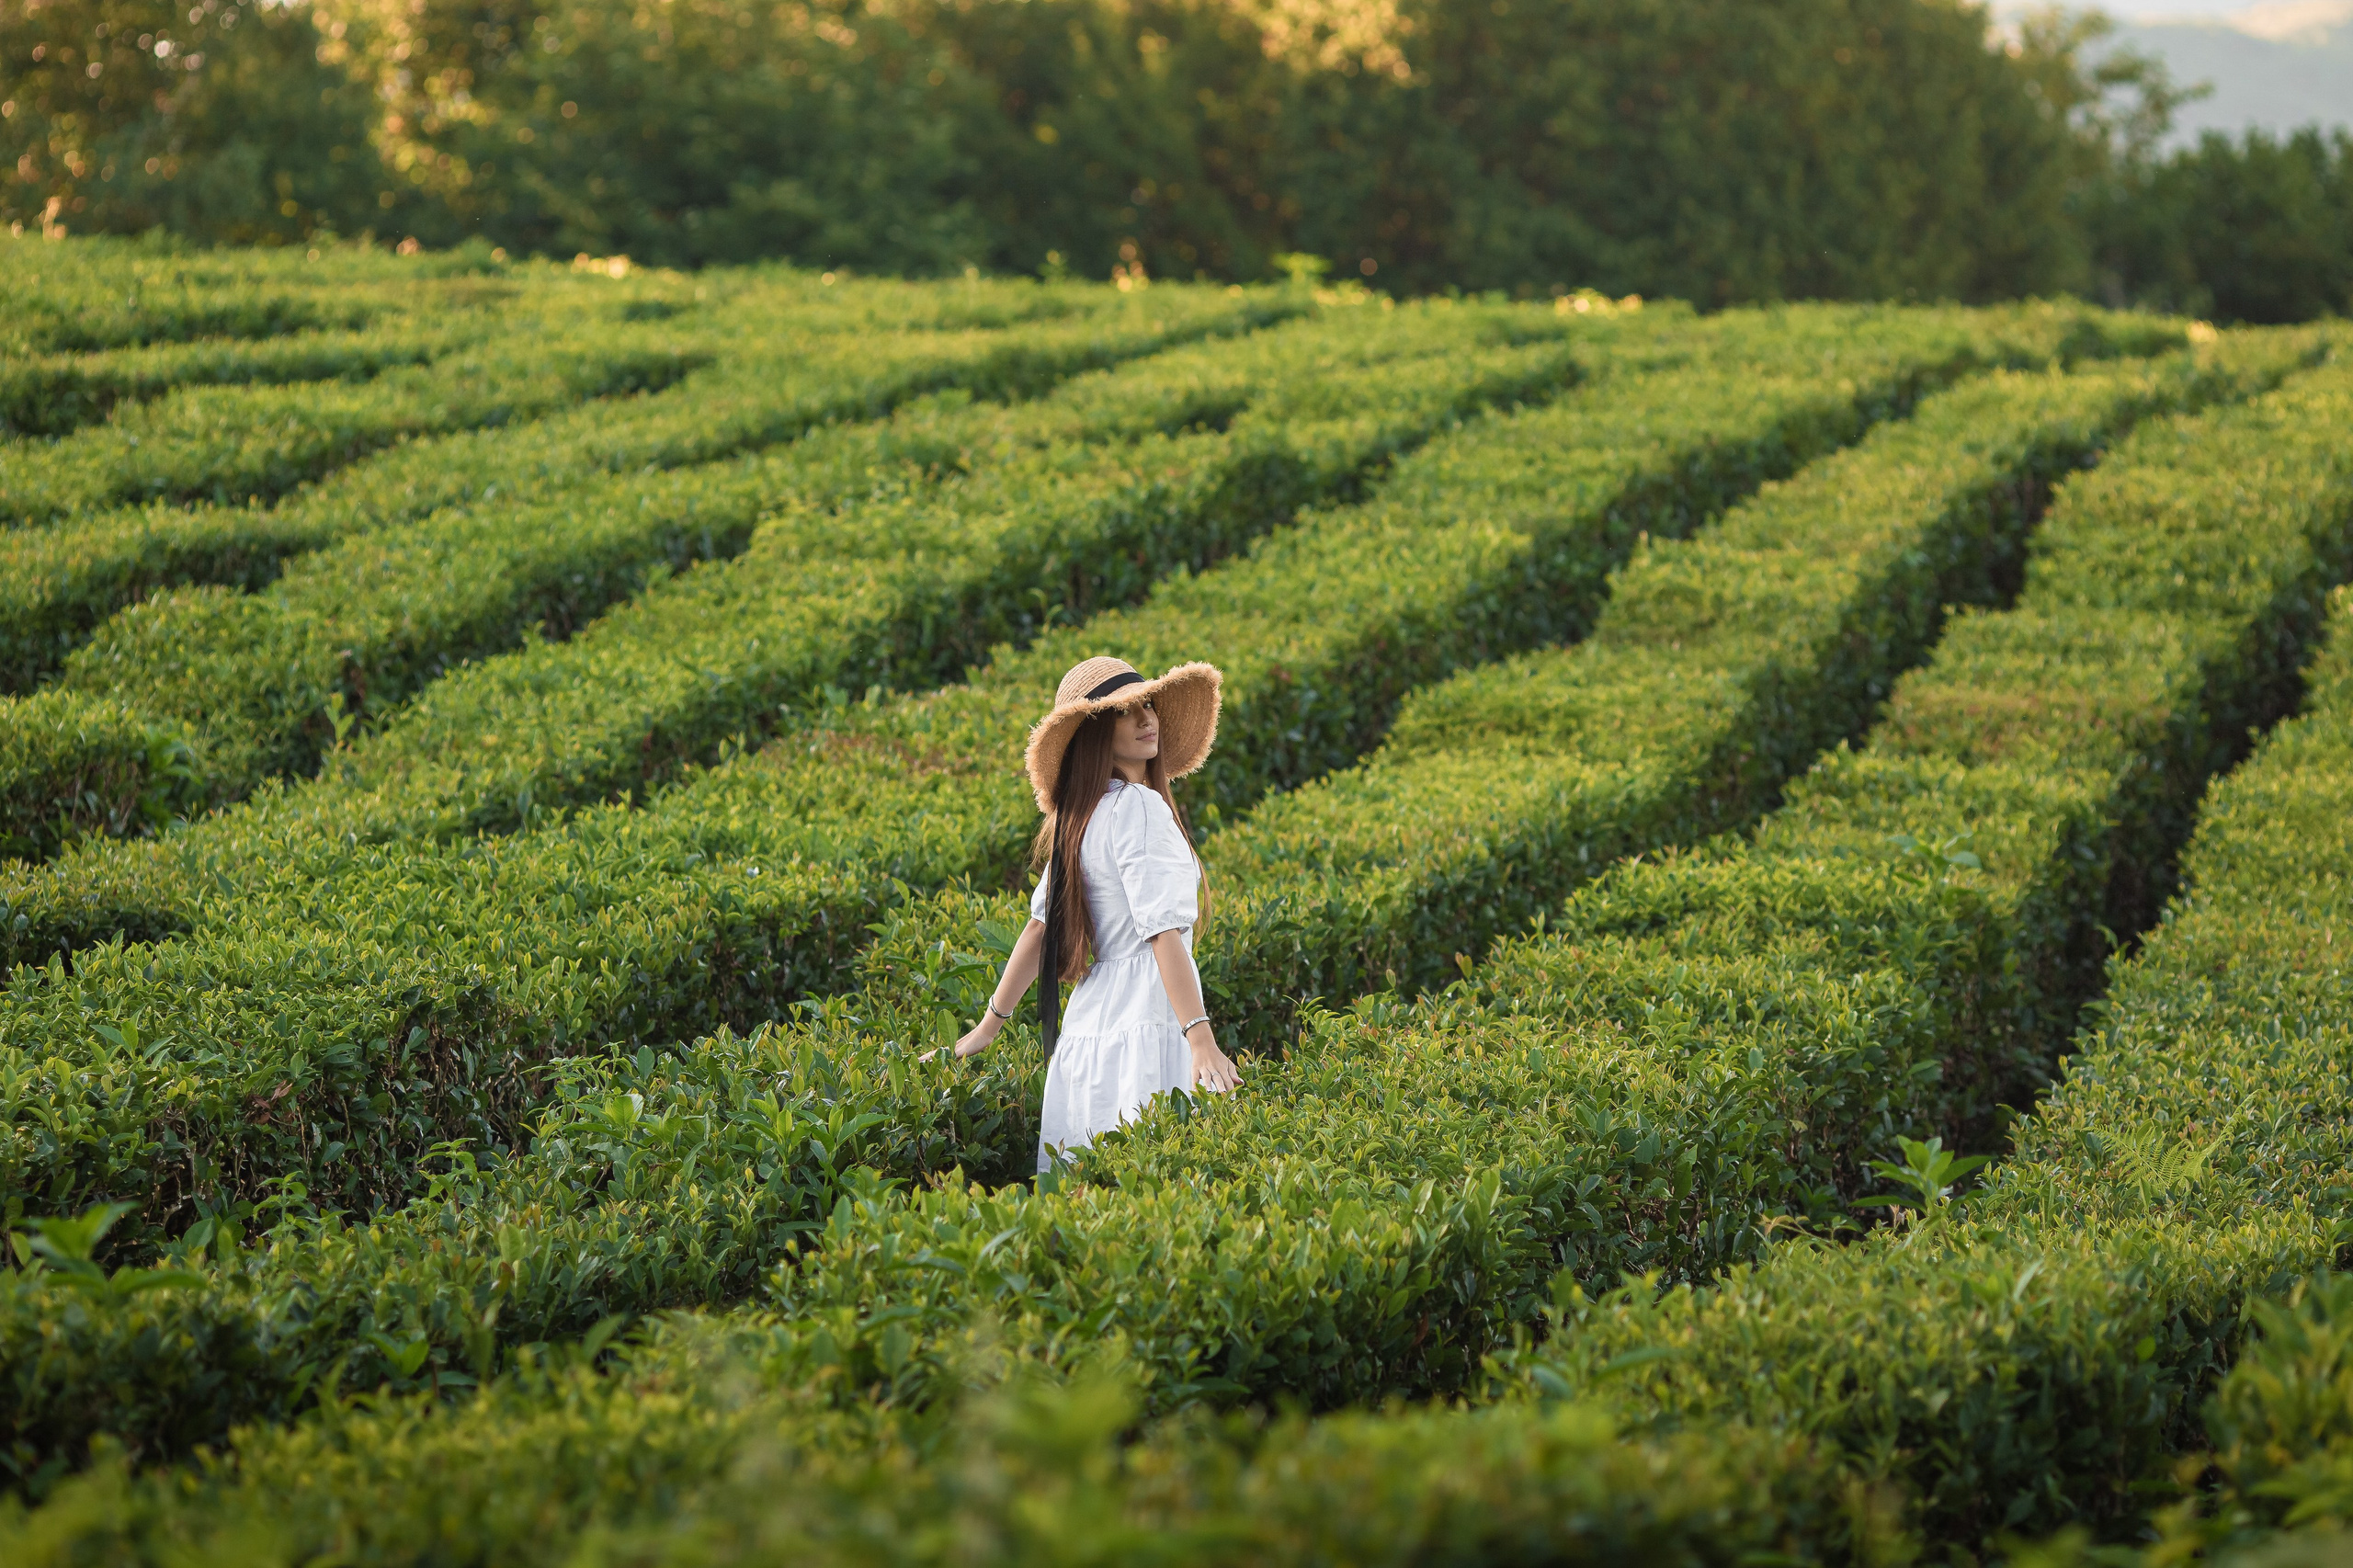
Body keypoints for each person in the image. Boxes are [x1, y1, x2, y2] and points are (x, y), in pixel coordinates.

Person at [945, 655, 1243, 1172]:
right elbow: (1161, 933)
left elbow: (1040, 929)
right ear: (1094, 732)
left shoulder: (1078, 819)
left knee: (1083, 1213)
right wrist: (1200, 1041)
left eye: (1147, 705)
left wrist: (989, 1025)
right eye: (1125, 712)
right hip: (1148, 1028)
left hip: (1084, 1040)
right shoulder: (1140, 808)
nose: (1146, 719)